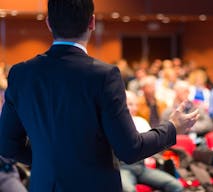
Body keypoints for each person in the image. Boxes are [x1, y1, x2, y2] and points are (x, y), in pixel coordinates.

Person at [0, 1, 199, 192]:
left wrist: (47, 160)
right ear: (92, 22)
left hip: (45, 186)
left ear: (49, 23)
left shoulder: (21, 74)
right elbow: (130, 149)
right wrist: (172, 127)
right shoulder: (104, 76)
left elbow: (7, 145)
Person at [120, 91, 183, 192]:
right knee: (129, 190)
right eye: (130, 104)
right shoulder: (116, 125)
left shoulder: (141, 121)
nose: (135, 108)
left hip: (141, 167)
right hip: (123, 168)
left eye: (136, 105)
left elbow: (152, 144)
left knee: (176, 185)